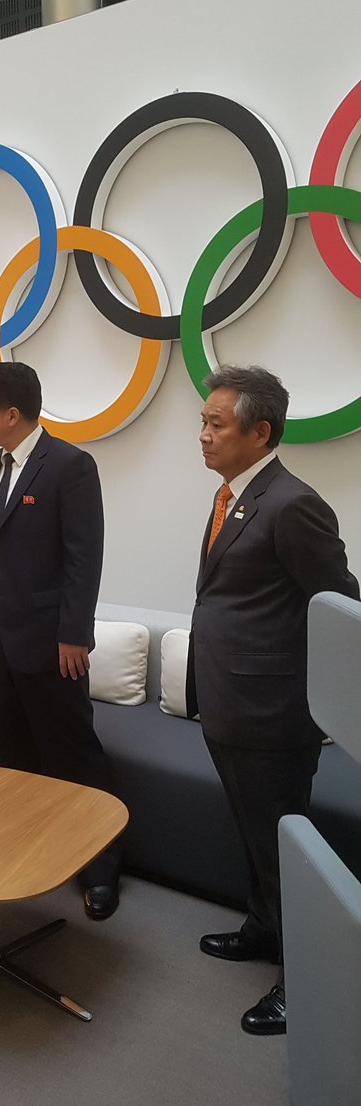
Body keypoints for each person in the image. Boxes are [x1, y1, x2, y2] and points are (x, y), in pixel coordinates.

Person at [188, 364, 359, 1035]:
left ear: (259, 432)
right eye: (202, 421)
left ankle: (301, 978)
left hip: (271, 713)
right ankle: (262, 930)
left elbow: (338, 601)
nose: (201, 435)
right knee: (254, 839)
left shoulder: (292, 504)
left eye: (215, 423)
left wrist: (320, 696)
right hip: (228, 703)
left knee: (282, 847)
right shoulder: (231, 495)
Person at [0, 361, 120, 920]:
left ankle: (99, 869)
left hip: (53, 642)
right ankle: (32, 850)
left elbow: (84, 558)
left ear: (11, 412)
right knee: (14, 753)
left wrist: (75, 633)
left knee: (73, 754)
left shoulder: (71, 465)